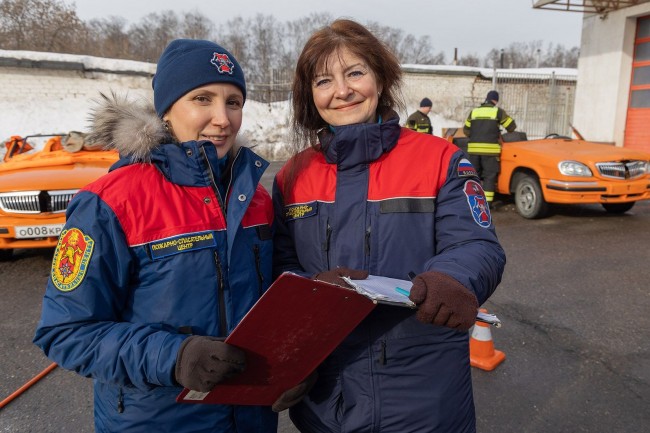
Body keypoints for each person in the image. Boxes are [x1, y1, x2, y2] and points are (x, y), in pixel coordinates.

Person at [33, 39, 300, 432]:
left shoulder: (255, 198)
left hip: (251, 419)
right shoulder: (109, 202)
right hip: (155, 421)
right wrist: (174, 357)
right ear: (166, 110)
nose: (222, 118)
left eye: (233, 102)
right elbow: (66, 332)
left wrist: (294, 361)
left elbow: (277, 300)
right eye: (202, 99)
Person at [272, 19, 506, 433]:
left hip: (424, 398)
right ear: (310, 95)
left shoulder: (441, 160)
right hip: (325, 401)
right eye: (324, 80)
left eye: (355, 73)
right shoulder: (292, 175)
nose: (342, 90)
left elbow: (476, 244)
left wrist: (451, 279)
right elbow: (280, 265)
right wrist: (310, 292)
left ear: (380, 78)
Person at [463, 90, 516, 204]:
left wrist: (477, 134)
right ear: (496, 100)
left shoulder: (474, 112)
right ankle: (486, 203)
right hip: (490, 152)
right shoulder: (497, 111)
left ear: (486, 99)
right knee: (489, 176)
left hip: (474, 151)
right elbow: (511, 127)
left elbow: (466, 130)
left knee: (473, 176)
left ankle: (472, 201)